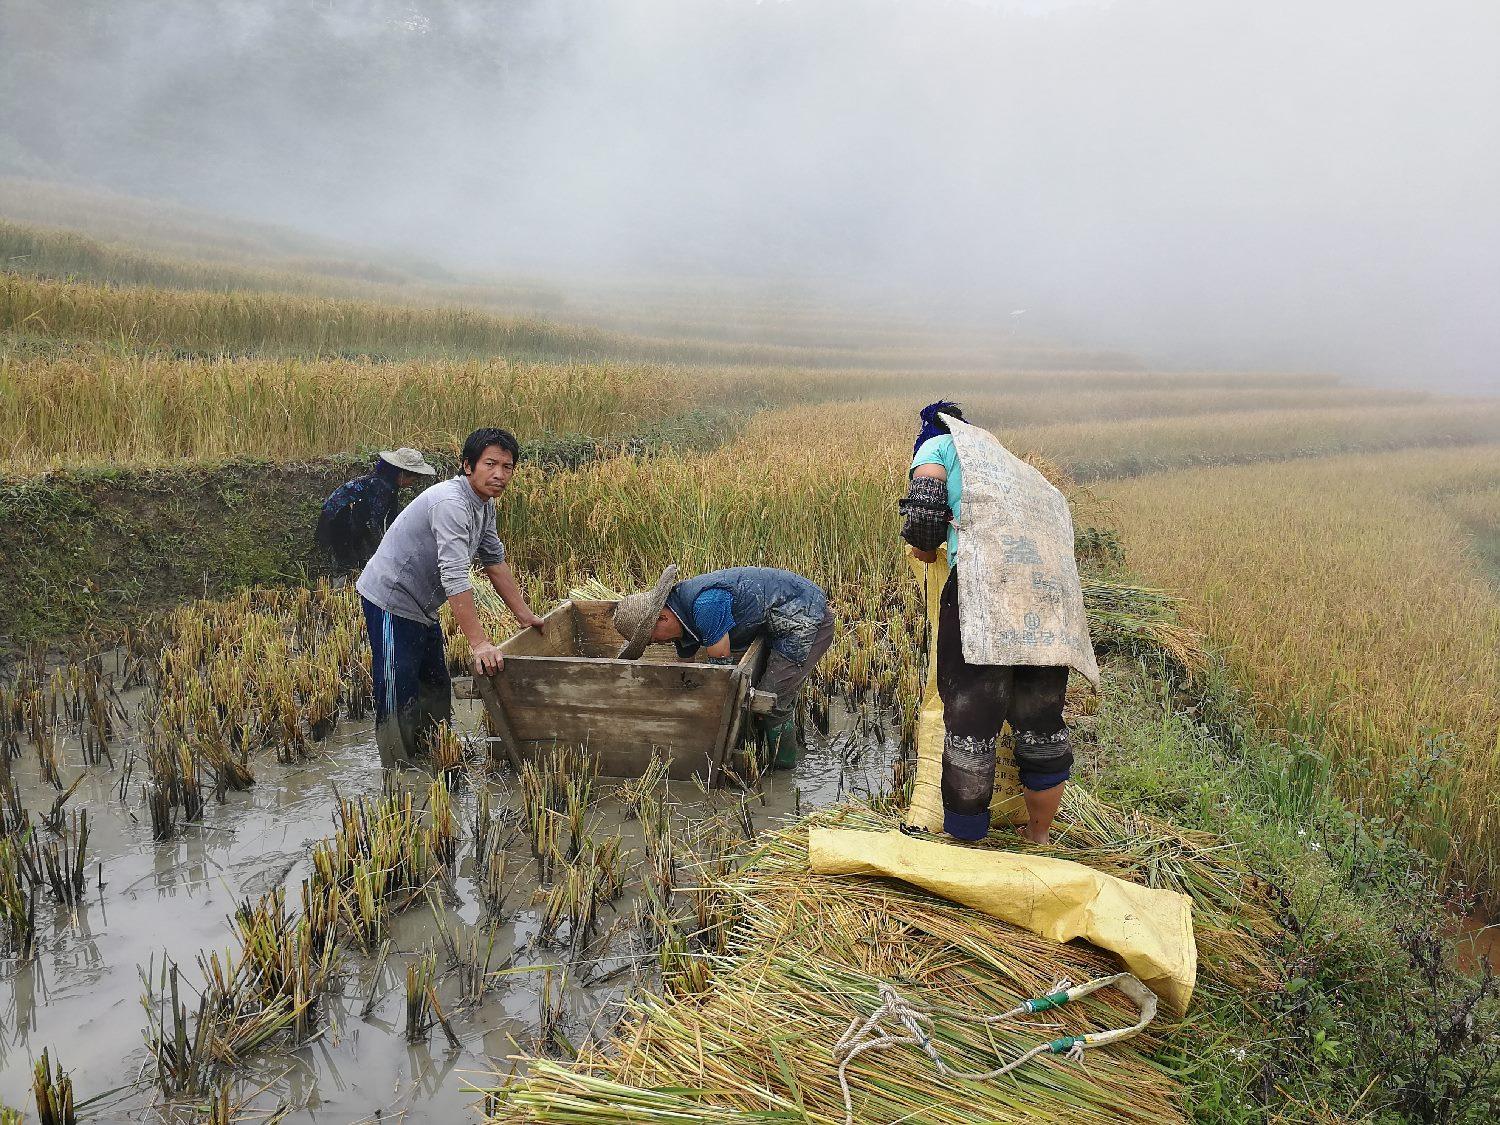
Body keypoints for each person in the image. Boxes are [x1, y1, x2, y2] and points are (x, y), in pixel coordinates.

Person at [899, 401, 1098, 845]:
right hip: (1049, 596)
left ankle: (967, 840)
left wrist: (925, 550)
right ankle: (1038, 836)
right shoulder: (1011, 467)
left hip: (984, 588)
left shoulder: (938, 443)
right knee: (1041, 721)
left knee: (972, 719)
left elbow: (926, 514)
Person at [355, 428, 545, 767]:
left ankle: (433, 754)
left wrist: (524, 615)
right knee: (398, 687)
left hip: (423, 606)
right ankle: (397, 771)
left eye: (507, 466)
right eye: (490, 464)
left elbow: (494, 560)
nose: (499, 474)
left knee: (435, 685)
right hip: (390, 599)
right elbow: (454, 574)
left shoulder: (484, 506)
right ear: (467, 466)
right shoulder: (451, 503)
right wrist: (479, 644)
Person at [611, 566, 834, 768]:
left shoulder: (706, 607)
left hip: (804, 616)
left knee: (770, 700)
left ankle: (784, 769)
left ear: (662, 618)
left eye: (650, 639)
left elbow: (722, 675)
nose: (656, 644)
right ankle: (765, 753)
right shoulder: (680, 619)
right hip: (778, 617)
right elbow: (684, 669)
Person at [316, 448, 437, 572]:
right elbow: (375, 523)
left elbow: (391, 518)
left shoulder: (388, 485)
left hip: (352, 519)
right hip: (339, 521)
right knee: (348, 564)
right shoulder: (380, 488)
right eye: (413, 480)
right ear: (401, 474)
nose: (412, 483)